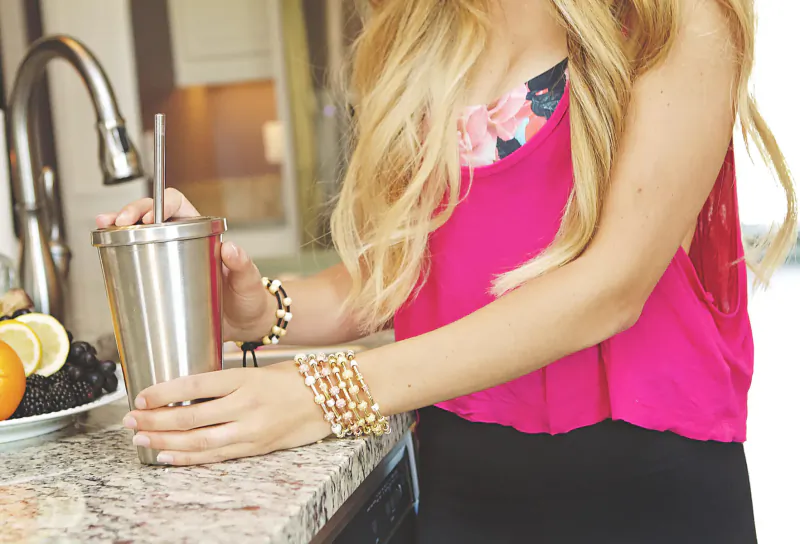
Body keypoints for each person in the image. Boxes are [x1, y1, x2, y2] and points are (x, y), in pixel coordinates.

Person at [98, 0, 796, 542]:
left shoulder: (670, 17)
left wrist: (328, 393)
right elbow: (393, 273)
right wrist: (264, 309)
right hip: (464, 481)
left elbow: (611, 287)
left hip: (643, 487)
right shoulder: (421, 36)